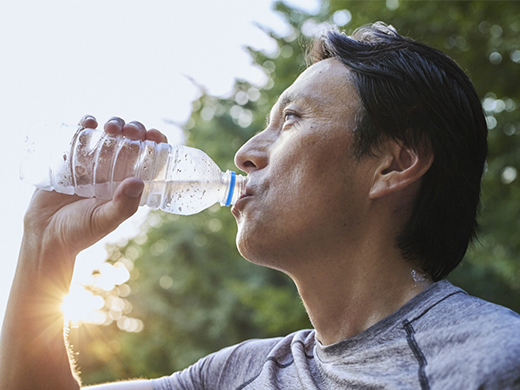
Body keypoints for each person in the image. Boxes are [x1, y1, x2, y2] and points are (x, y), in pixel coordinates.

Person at [1, 22, 519, 390]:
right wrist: (45, 247)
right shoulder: (235, 374)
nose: (245, 153)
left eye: (291, 119)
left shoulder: (491, 362)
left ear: (392, 165)